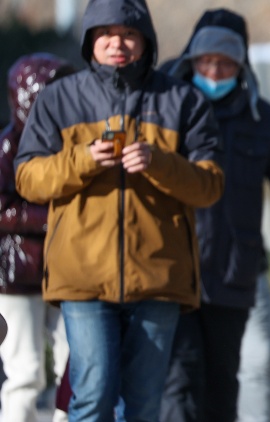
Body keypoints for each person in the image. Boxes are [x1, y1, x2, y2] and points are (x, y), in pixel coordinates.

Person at [13, 0, 225, 420]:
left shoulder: (183, 100)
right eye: (106, 33)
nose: (118, 43)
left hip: (159, 278)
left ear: (146, 41)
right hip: (82, 277)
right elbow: (29, 180)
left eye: (129, 34)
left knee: (144, 406)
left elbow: (210, 185)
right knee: (92, 395)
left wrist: (160, 162)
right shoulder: (59, 98)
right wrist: (83, 160)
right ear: (90, 39)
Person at [159, 8, 270, 422]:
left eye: (224, 63)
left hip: (235, 276)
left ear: (241, 65)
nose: (214, 71)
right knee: (178, 385)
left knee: (230, 385)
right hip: (171, 274)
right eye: (205, 62)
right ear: (191, 61)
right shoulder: (165, 110)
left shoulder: (266, 122)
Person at [0, 52, 75, 422]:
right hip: (18, 275)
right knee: (25, 372)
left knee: (76, 367)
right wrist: (53, 219)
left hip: (68, 272)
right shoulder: (7, 148)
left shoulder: (74, 145)